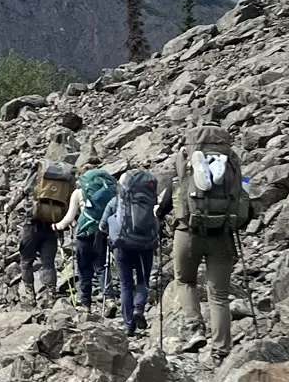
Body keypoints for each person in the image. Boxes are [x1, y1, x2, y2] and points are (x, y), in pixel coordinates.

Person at [159, 123, 253, 358]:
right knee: (219, 295)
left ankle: (195, 329)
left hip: (187, 233)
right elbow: (247, 206)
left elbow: (171, 196)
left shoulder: (184, 159)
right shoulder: (233, 163)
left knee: (185, 281)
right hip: (221, 234)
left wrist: (159, 214)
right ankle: (221, 350)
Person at [101, 166, 161, 338]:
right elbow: (159, 218)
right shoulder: (151, 199)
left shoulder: (116, 201)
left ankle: (129, 326)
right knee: (143, 280)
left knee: (126, 285)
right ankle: (139, 308)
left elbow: (102, 225)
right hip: (145, 245)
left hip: (122, 244)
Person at [13, 145, 75, 306]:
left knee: (26, 260)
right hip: (53, 225)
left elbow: (23, 192)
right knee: (48, 262)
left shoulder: (36, 175)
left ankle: (30, 296)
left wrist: (8, 207)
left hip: (32, 223)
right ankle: (51, 296)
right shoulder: (64, 181)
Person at [56, 160, 119, 316]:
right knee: (102, 267)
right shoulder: (107, 189)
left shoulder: (78, 193)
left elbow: (69, 218)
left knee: (84, 270)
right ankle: (110, 299)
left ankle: (86, 305)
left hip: (84, 236)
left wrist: (57, 226)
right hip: (103, 233)